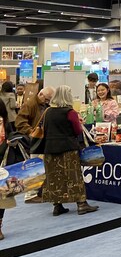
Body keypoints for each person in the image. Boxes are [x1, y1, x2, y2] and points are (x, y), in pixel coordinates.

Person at [43, 85, 99, 216]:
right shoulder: (70, 112)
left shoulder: (48, 112)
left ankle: (57, 205)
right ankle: (81, 204)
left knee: (54, 177)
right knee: (73, 177)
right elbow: (77, 130)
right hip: (68, 148)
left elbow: (44, 129)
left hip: (50, 148)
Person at [0, 99, 15, 240]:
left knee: (2, 197)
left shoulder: (4, 121)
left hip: (3, 163)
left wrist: (10, 141)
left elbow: (11, 134)